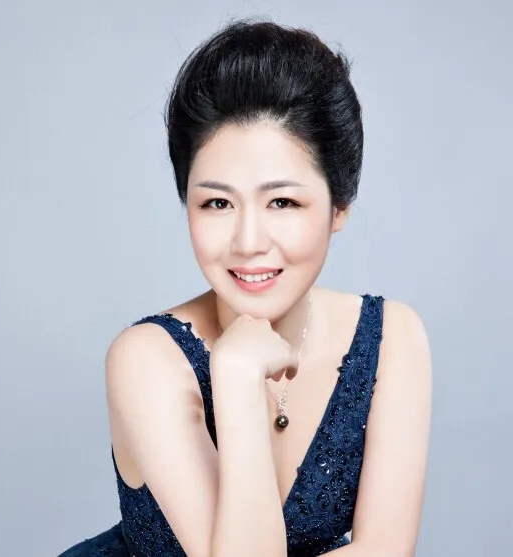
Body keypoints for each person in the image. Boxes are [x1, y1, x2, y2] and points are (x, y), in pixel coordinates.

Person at [59, 17, 432, 557]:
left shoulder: (391, 336)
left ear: (339, 207)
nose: (248, 242)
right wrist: (234, 379)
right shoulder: (145, 359)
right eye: (217, 203)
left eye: (282, 202)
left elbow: (386, 550)